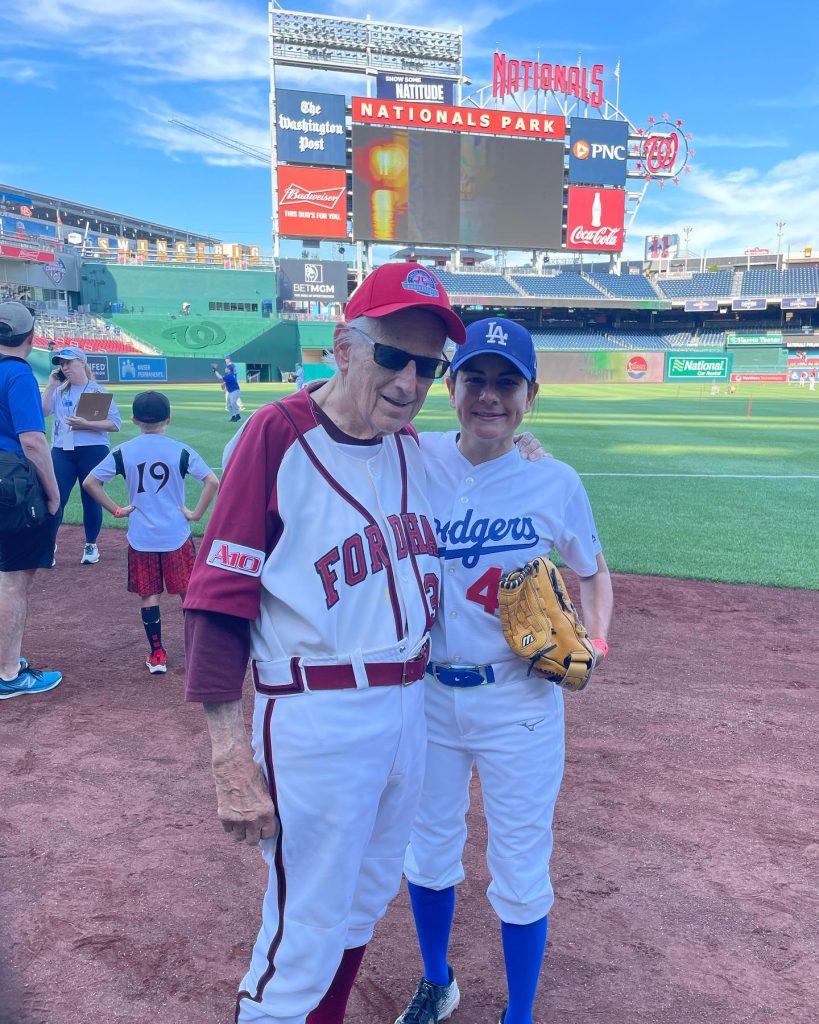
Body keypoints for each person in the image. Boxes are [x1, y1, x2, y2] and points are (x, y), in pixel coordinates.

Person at [183, 262, 466, 1024]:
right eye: (392, 357)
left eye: (428, 366)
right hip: (317, 715)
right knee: (302, 931)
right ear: (344, 347)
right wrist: (226, 753)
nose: (410, 381)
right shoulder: (275, 437)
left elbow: (489, 456)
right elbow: (217, 603)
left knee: (364, 900)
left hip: (408, 709)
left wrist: (524, 449)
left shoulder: (415, 450)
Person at [395, 318, 614, 1024]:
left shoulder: (552, 479)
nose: (490, 396)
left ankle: (517, 1015)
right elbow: (322, 409)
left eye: (506, 383)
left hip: (518, 701)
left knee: (520, 868)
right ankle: (438, 980)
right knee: (427, 852)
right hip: (425, 696)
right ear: (449, 387)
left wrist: (596, 641)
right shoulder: (408, 457)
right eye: (475, 379)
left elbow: (592, 570)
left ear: (531, 395)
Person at [83, 391, 219, 675]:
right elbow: (211, 481)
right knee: (187, 593)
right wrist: (195, 514)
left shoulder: (124, 451)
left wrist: (117, 510)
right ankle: (198, 651)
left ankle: (157, 654)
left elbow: (90, 483)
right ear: (168, 419)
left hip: (142, 537)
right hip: (176, 535)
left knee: (149, 595)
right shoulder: (180, 450)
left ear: (133, 420)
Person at [0, 302, 63, 699]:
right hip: (12, 487)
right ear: (31, 336)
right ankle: (8, 673)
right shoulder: (18, 373)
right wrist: (55, 494)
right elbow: (33, 441)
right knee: (13, 581)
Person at [41, 346, 122, 565]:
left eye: (69, 362)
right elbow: (44, 412)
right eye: (61, 363)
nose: (64, 367)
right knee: (56, 498)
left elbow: (115, 424)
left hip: (93, 450)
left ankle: (91, 545)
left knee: (91, 498)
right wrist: (50, 386)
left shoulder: (98, 392)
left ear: (82, 363)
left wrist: (87, 424)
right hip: (62, 451)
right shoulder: (59, 390)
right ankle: (49, 544)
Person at [213, 357, 242, 421]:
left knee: (233, 403)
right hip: (231, 391)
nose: (225, 368)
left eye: (226, 368)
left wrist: (215, 371)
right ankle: (233, 416)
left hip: (235, 391)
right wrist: (224, 387)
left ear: (229, 370)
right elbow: (223, 385)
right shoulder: (228, 375)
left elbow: (220, 377)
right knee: (229, 405)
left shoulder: (230, 376)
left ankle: (238, 415)